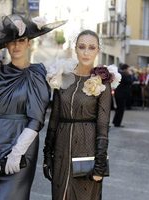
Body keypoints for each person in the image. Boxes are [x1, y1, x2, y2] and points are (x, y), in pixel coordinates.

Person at [0, 14, 66, 200]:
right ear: (6, 45)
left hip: (23, 144)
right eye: (12, 42)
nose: (16, 46)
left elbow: (37, 118)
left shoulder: (38, 73)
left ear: (29, 43)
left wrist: (18, 151)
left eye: (21, 40)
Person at [43, 30, 121, 200]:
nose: (86, 52)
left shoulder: (103, 83)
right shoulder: (61, 77)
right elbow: (54, 120)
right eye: (82, 47)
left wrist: (100, 165)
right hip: (61, 150)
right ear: (75, 49)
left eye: (91, 47)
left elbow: (103, 126)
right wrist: (47, 155)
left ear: (98, 51)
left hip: (87, 151)